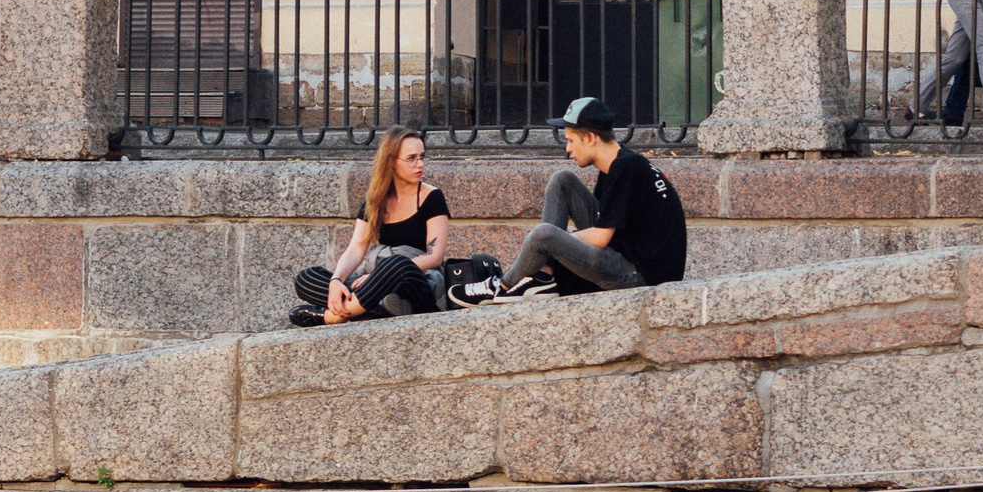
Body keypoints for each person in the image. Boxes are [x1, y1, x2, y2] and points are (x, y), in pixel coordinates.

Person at [461, 96, 688, 300]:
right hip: (627, 253)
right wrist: (563, 243)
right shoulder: (620, 164)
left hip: (643, 275)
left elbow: (600, 237)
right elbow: (604, 226)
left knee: (544, 235)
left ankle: (501, 286)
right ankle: (544, 276)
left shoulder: (626, 169)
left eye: (570, 140)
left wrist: (559, 241)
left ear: (590, 138)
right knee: (563, 180)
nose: (567, 149)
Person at [289, 128, 448, 326]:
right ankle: (377, 306)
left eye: (422, 156)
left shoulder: (432, 197)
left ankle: (332, 316)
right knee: (307, 278)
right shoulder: (376, 199)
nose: (420, 164)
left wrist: (378, 277)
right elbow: (356, 248)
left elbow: (435, 256)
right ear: (391, 161)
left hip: (416, 282)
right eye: (411, 158)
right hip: (375, 281)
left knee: (396, 264)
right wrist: (336, 282)